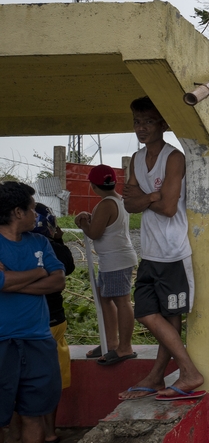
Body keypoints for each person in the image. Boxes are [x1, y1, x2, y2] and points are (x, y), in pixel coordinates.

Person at [118, 96, 204, 401]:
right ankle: (163, 376)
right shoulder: (136, 158)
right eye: (136, 122)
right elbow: (129, 204)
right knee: (145, 311)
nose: (141, 128)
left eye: (148, 122)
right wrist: (152, 196)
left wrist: (147, 198)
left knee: (170, 315)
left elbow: (168, 208)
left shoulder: (174, 158)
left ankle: (183, 374)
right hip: (150, 251)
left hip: (172, 251)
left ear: (163, 124)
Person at [0, 182, 66, 443]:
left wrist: (11, 283)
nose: (35, 215)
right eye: (31, 209)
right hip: (2, 341)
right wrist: (39, 272)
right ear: (18, 212)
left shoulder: (40, 242)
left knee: (34, 414)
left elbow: (58, 281)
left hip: (38, 340)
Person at [74, 165, 138, 367]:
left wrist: (82, 222)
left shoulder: (106, 204)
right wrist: (89, 218)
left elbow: (94, 233)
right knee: (106, 299)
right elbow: (105, 225)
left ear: (92, 186)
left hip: (116, 260)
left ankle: (125, 347)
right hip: (113, 259)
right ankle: (110, 342)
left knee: (122, 301)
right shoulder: (117, 200)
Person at [32, 203, 75, 443]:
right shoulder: (55, 248)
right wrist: (59, 240)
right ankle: (49, 432)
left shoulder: (20, 246)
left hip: (33, 324)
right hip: (55, 321)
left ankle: (22, 433)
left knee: (26, 382)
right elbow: (69, 267)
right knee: (51, 380)